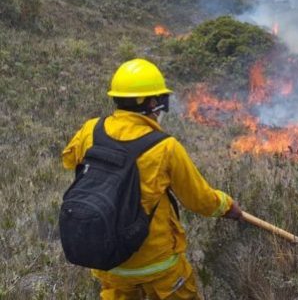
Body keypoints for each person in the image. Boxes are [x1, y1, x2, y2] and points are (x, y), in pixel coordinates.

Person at [62, 58, 242, 300]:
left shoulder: (90, 130)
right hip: (157, 263)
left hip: (108, 258)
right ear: (151, 102)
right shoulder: (164, 147)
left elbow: (70, 160)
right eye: (160, 100)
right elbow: (199, 200)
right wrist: (227, 206)